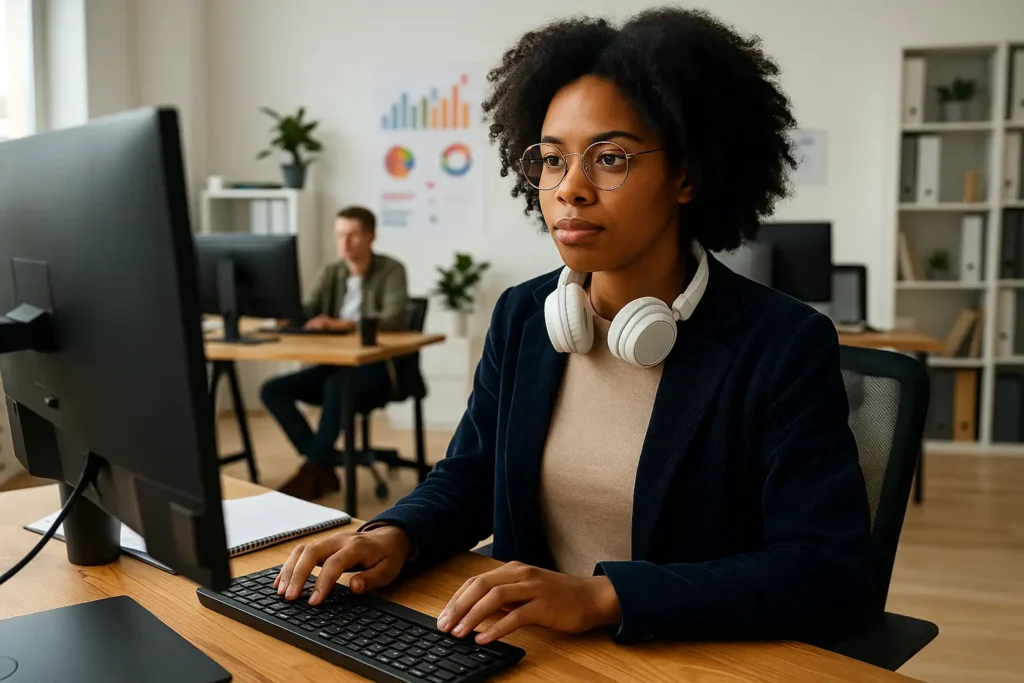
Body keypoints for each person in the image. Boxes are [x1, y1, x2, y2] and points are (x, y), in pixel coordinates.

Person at [274, 8, 875, 647]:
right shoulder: (523, 318)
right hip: (524, 650)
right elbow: (471, 476)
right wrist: (394, 534)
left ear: (687, 175)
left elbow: (826, 570)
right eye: (553, 160)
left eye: (609, 158)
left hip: (684, 655)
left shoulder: (781, 345)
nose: (571, 189)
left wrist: (601, 597)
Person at [261, 206, 408, 500]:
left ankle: (311, 471)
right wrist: (284, 313)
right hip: (336, 365)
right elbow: (308, 309)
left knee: (336, 386)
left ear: (371, 237)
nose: (345, 242)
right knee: (272, 390)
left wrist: (343, 323)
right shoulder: (332, 271)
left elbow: (395, 318)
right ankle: (322, 464)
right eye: (340, 235)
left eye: (353, 235)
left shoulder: (391, 269)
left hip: (376, 370)